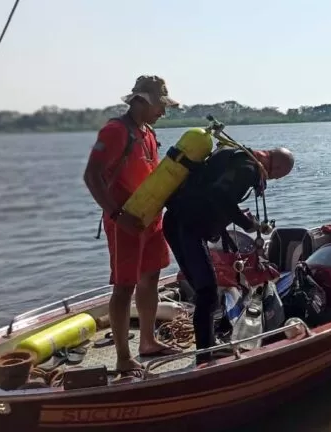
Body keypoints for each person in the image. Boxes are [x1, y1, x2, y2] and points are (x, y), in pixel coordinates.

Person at [83, 75, 183, 377]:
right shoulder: (116, 131)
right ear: (143, 101)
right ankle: (123, 357)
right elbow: (92, 176)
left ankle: (148, 341)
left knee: (151, 277)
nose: (163, 112)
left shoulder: (148, 132)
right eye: (160, 106)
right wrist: (115, 214)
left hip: (151, 217)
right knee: (124, 286)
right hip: (124, 220)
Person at [163, 145, 294, 364]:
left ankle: (208, 344)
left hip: (178, 223)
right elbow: (218, 195)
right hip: (187, 229)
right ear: (278, 167)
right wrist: (248, 224)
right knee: (207, 292)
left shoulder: (237, 156)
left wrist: (235, 219)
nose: (276, 179)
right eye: (280, 176)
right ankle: (205, 358)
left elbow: (211, 193)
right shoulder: (249, 168)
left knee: (204, 290)